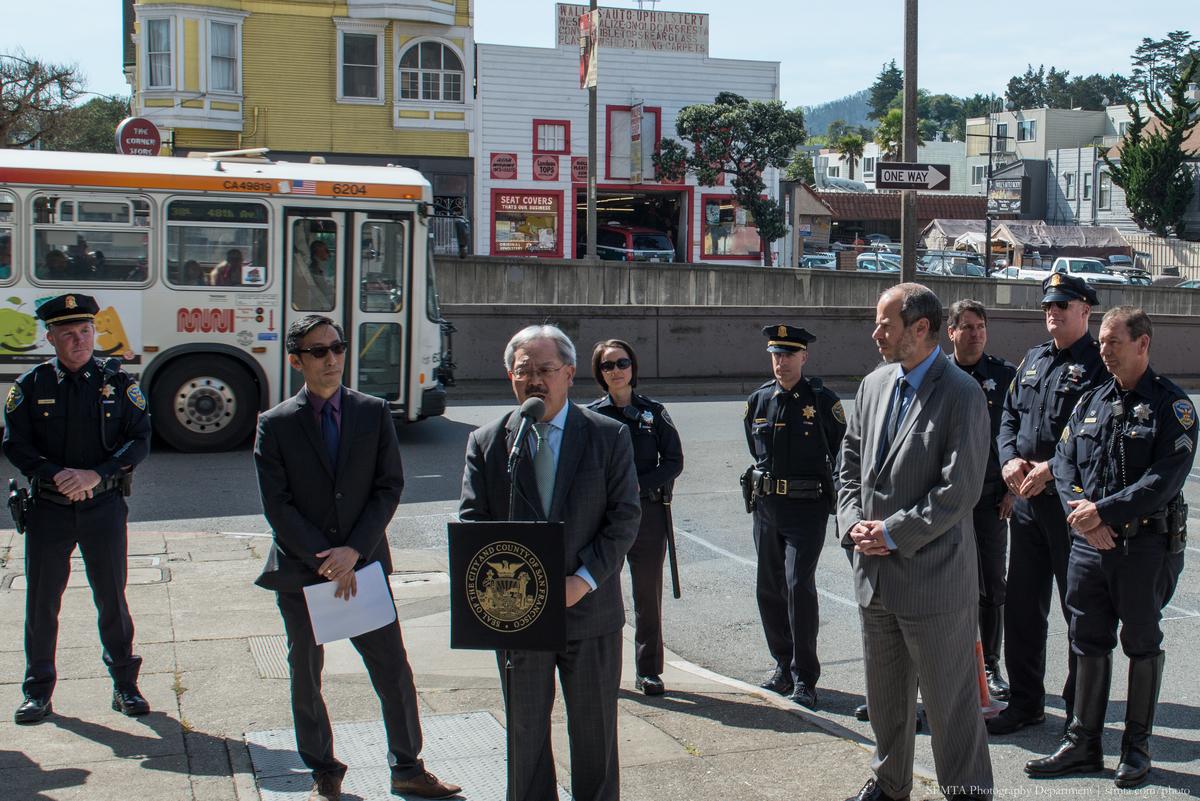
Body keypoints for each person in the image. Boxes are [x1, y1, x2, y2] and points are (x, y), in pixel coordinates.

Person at [253, 315, 460, 801]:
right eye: (318, 350)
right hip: (304, 571)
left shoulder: (372, 412)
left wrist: (354, 553)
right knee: (306, 675)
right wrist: (327, 561)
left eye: (337, 348)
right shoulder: (275, 424)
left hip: (362, 565)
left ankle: (408, 767)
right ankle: (324, 770)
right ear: (296, 359)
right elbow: (276, 505)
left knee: (393, 670)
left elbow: (389, 487)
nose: (331, 358)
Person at [460, 324, 640, 801]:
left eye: (546, 370)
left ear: (570, 373)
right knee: (525, 739)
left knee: (595, 739)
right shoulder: (489, 442)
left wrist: (582, 580)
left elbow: (624, 519)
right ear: (510, 376)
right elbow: (473, 522)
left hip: (590, 613)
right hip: (518, 619)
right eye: (524, 371)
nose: (534, 380)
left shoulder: (608, 436)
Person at [1025, 306, 1194, 789]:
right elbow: (1062, 462)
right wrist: (1083, 513)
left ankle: (1136, 748)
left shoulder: (1172, 407)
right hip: (1089, 545)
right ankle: (1083, 743)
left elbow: (1162, 479)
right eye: (1101, 341)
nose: (1103, 350)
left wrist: (1105, 513)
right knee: (1086, 640)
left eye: (1113, 342)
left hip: (1143, 547)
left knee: (1141, 644)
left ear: (1143, 344)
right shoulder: (1092, 400)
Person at [838, 284, 993, 801]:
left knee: (951, 706)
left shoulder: (962, 393)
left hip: (934, 581)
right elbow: (848, 463)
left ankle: (966, 791)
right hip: (875, 575)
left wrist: (892, 532)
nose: (876, 333)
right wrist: (853, 523)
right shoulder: (873, 384)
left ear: (920, 328)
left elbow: (960, 490)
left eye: (886, 324)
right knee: (885, 701)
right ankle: (889, 784)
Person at [3, 293, 152, 724]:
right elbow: (15, 443)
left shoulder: (118, 384)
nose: (79, 340)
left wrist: (95, 474)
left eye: (85, 331)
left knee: (112, 600)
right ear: (50, 337)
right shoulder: (31, 387)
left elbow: (139, 439)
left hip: (103, 506)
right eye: (67, 333)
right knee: (42, 603)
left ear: (94, 333)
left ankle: (125, 685)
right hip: (49, 510)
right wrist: (56, 474)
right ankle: (38, 691)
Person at [989, 273, 1105, 736]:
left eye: (1063, 305)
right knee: (1021, 607)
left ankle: (1080, 712)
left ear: (1085, 311)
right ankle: (1025, 702)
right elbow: (1009, 417)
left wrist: (1051, 470)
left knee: (1078, 609)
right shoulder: (1034, 359)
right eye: (1047, 306)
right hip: (1027, 505)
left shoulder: (1098, 365)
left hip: (1071, 508)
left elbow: (1090, 435)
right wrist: (1008, 460)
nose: (1052, 313)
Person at [743, 324, 846, 709]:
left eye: (788, 355)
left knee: (798, 586)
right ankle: (783, 667)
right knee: (768, 588)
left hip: (807, 508)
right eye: (776, 354)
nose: (781, 362)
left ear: (804, 357)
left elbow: (842, 453)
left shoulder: (821, 401)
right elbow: (757, 455)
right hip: (767, 508)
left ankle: (806, 678)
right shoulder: (758, 401)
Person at [585, 339, 684, 696]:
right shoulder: (591, 416)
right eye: (608, 365)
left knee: (647, 596)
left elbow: (673, 461)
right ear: (600, 373)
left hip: (647, 514)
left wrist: (636, 488)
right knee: (599, 594)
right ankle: (600, 667)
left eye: (622, 363)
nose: (616, 370)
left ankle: (648, 671)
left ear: (633, 367)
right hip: (604, 518)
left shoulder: (654, 413)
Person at [946, 299, 1018, 701]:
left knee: (992, 584)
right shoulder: (936, 374)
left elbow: (1020, 436)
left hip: (992, 498)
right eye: (967, 327)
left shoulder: (1004, 375)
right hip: (944, 500)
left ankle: (990, 665)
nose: (975, 334)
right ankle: (953, 662)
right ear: (951, 332)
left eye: (981, 327)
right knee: (946, 584)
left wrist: (1011, 489)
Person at [293, 240, 336, 311]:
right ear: (318, 252)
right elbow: (323, 287)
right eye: (326, 250)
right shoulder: (315, 266)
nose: (329, 253)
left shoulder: (320, 265)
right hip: (322, 298)